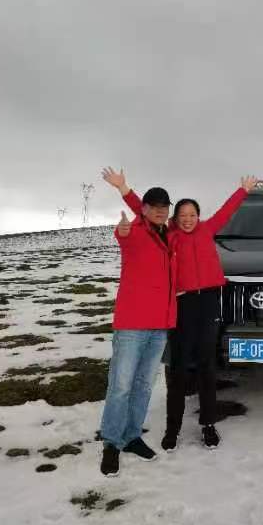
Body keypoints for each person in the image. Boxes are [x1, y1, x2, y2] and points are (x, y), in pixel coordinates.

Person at [102, 167, 258, 452]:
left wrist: (243, 190)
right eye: (182, 215)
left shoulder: (208, 229)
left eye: (192, 215)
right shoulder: (170, 233)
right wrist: (123, 189)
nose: (187, 220)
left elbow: (227, 211)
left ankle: (208, 425)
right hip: (182, 304)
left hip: (208, 302)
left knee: (207, 366)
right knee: (179, 368)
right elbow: (146, 212)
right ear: (175, 218)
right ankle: (172, 428)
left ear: (199, 216)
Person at [99, 183, 176, 478]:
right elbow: (124, 235)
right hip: (132, 324)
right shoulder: (134, 232)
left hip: (159, 326)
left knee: (144, 385)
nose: (160, 211)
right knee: (121, 385)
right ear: (143, 209)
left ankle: (131, 436)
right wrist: (124, 193)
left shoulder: (169, 234)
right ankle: (111, 442)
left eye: (164, 207)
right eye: (154, 206)